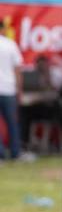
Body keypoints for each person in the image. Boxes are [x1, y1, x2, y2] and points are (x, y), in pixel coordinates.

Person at [0, 20, 23, 161]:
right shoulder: (10, 45)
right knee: (13, 123)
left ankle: (1, 154)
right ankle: (15, 152)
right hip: (9, 89)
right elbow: (17, 69)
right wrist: (19, 90)